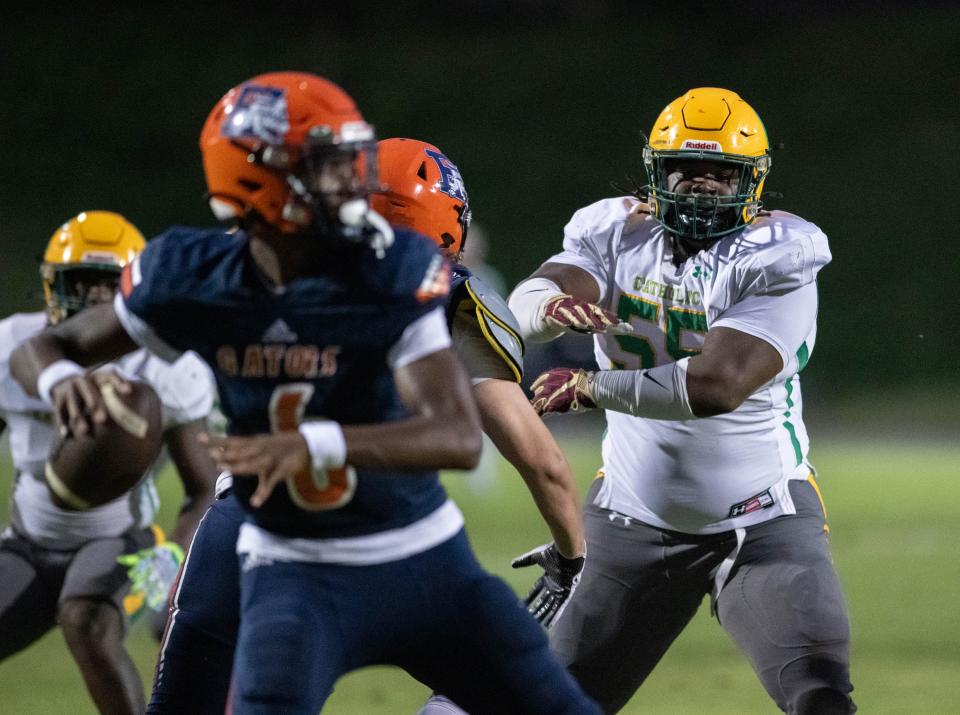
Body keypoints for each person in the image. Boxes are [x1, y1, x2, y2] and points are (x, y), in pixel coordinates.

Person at [11, 72, 600, 715]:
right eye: (328, 164)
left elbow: (458, 437)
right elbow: (48, 347)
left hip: (410, 551)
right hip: (287, 559)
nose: (353, 180)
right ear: (258, 179)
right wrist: (64, 382)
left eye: (354, 160)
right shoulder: (196, 275)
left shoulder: (396, 272)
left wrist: (313, 443)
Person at [508, 87, 856, 714]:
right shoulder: (614, 229)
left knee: (820, 697)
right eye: (684, 171)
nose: (701, 187)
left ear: (752, 179)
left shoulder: (780, 253)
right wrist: (548, 307)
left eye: (720, 174)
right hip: (630, 521)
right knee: (554, 704)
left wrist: (591, 386)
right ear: (654, 173)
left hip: (762, 524)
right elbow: (539, 294)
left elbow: (714, 386)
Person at [370, 138, 588, 715]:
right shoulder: (449, 304)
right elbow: (545, 464)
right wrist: (571, 559)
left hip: (254, 531)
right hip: (385, 538)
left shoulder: (277, 277)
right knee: (507, 680)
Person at [0, 210, 218, 715]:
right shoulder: (17, 344)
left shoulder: (164, 364)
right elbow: (30, 359)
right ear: (52, 286)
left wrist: (174, 565)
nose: (95, 300)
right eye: (81, 283)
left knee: (86, 620)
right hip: (30, 542)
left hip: (119, 540)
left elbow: (202, 487)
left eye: (108, 285)